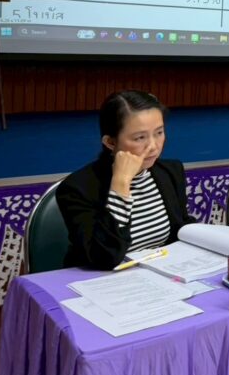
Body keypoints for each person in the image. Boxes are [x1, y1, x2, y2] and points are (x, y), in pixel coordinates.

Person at [57, 90, 198, 270]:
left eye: (159, 132)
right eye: (140, 138)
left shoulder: (170, 171)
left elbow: (181, 229)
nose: (153, 146)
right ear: (110, 142)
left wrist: (222, 239)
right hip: (101, 279)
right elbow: (104, 257)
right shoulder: (77, 188)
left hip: (159, 274)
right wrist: (121, 183)